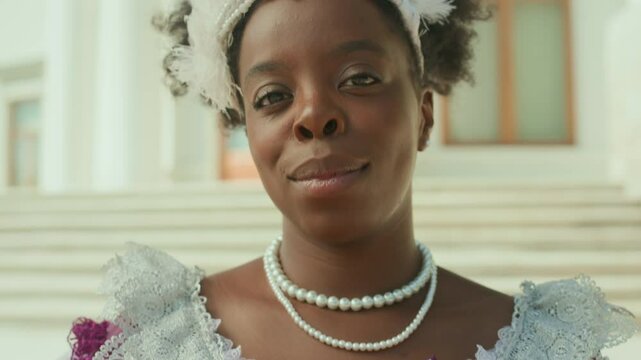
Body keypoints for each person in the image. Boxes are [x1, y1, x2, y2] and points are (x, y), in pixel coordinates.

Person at [66, 0, 639, 359]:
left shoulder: (541, 347)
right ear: (247, 128)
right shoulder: (155, 345)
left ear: (423, 114)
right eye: (273, 96)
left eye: (360, 77)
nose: (313, 115)